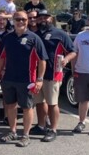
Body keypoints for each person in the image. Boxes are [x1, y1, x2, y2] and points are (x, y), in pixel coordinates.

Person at [0, 11, 47, 148]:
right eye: (18, 19)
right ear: (13, 20)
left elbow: (42, 60)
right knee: (10, 105)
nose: (21, 21)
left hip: (27, 80)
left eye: (24, 19)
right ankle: (12, 131)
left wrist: (40, 79)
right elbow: (1, 58)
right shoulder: (7, 38)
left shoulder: (34, 38)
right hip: (8, 79)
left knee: (27, 107)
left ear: (28, 21)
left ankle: (25, 135)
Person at [32, 10, 76, 142]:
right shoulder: (35, 34)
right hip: (37, 75)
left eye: (45, 17)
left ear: (51, 18)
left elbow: (73, 51)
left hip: (53, 74)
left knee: (52, 103)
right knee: (39, 102)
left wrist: (66, 60)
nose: (43, 19)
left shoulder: (60, 34)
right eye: (40, 17)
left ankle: (53, 129)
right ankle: (41, 125)